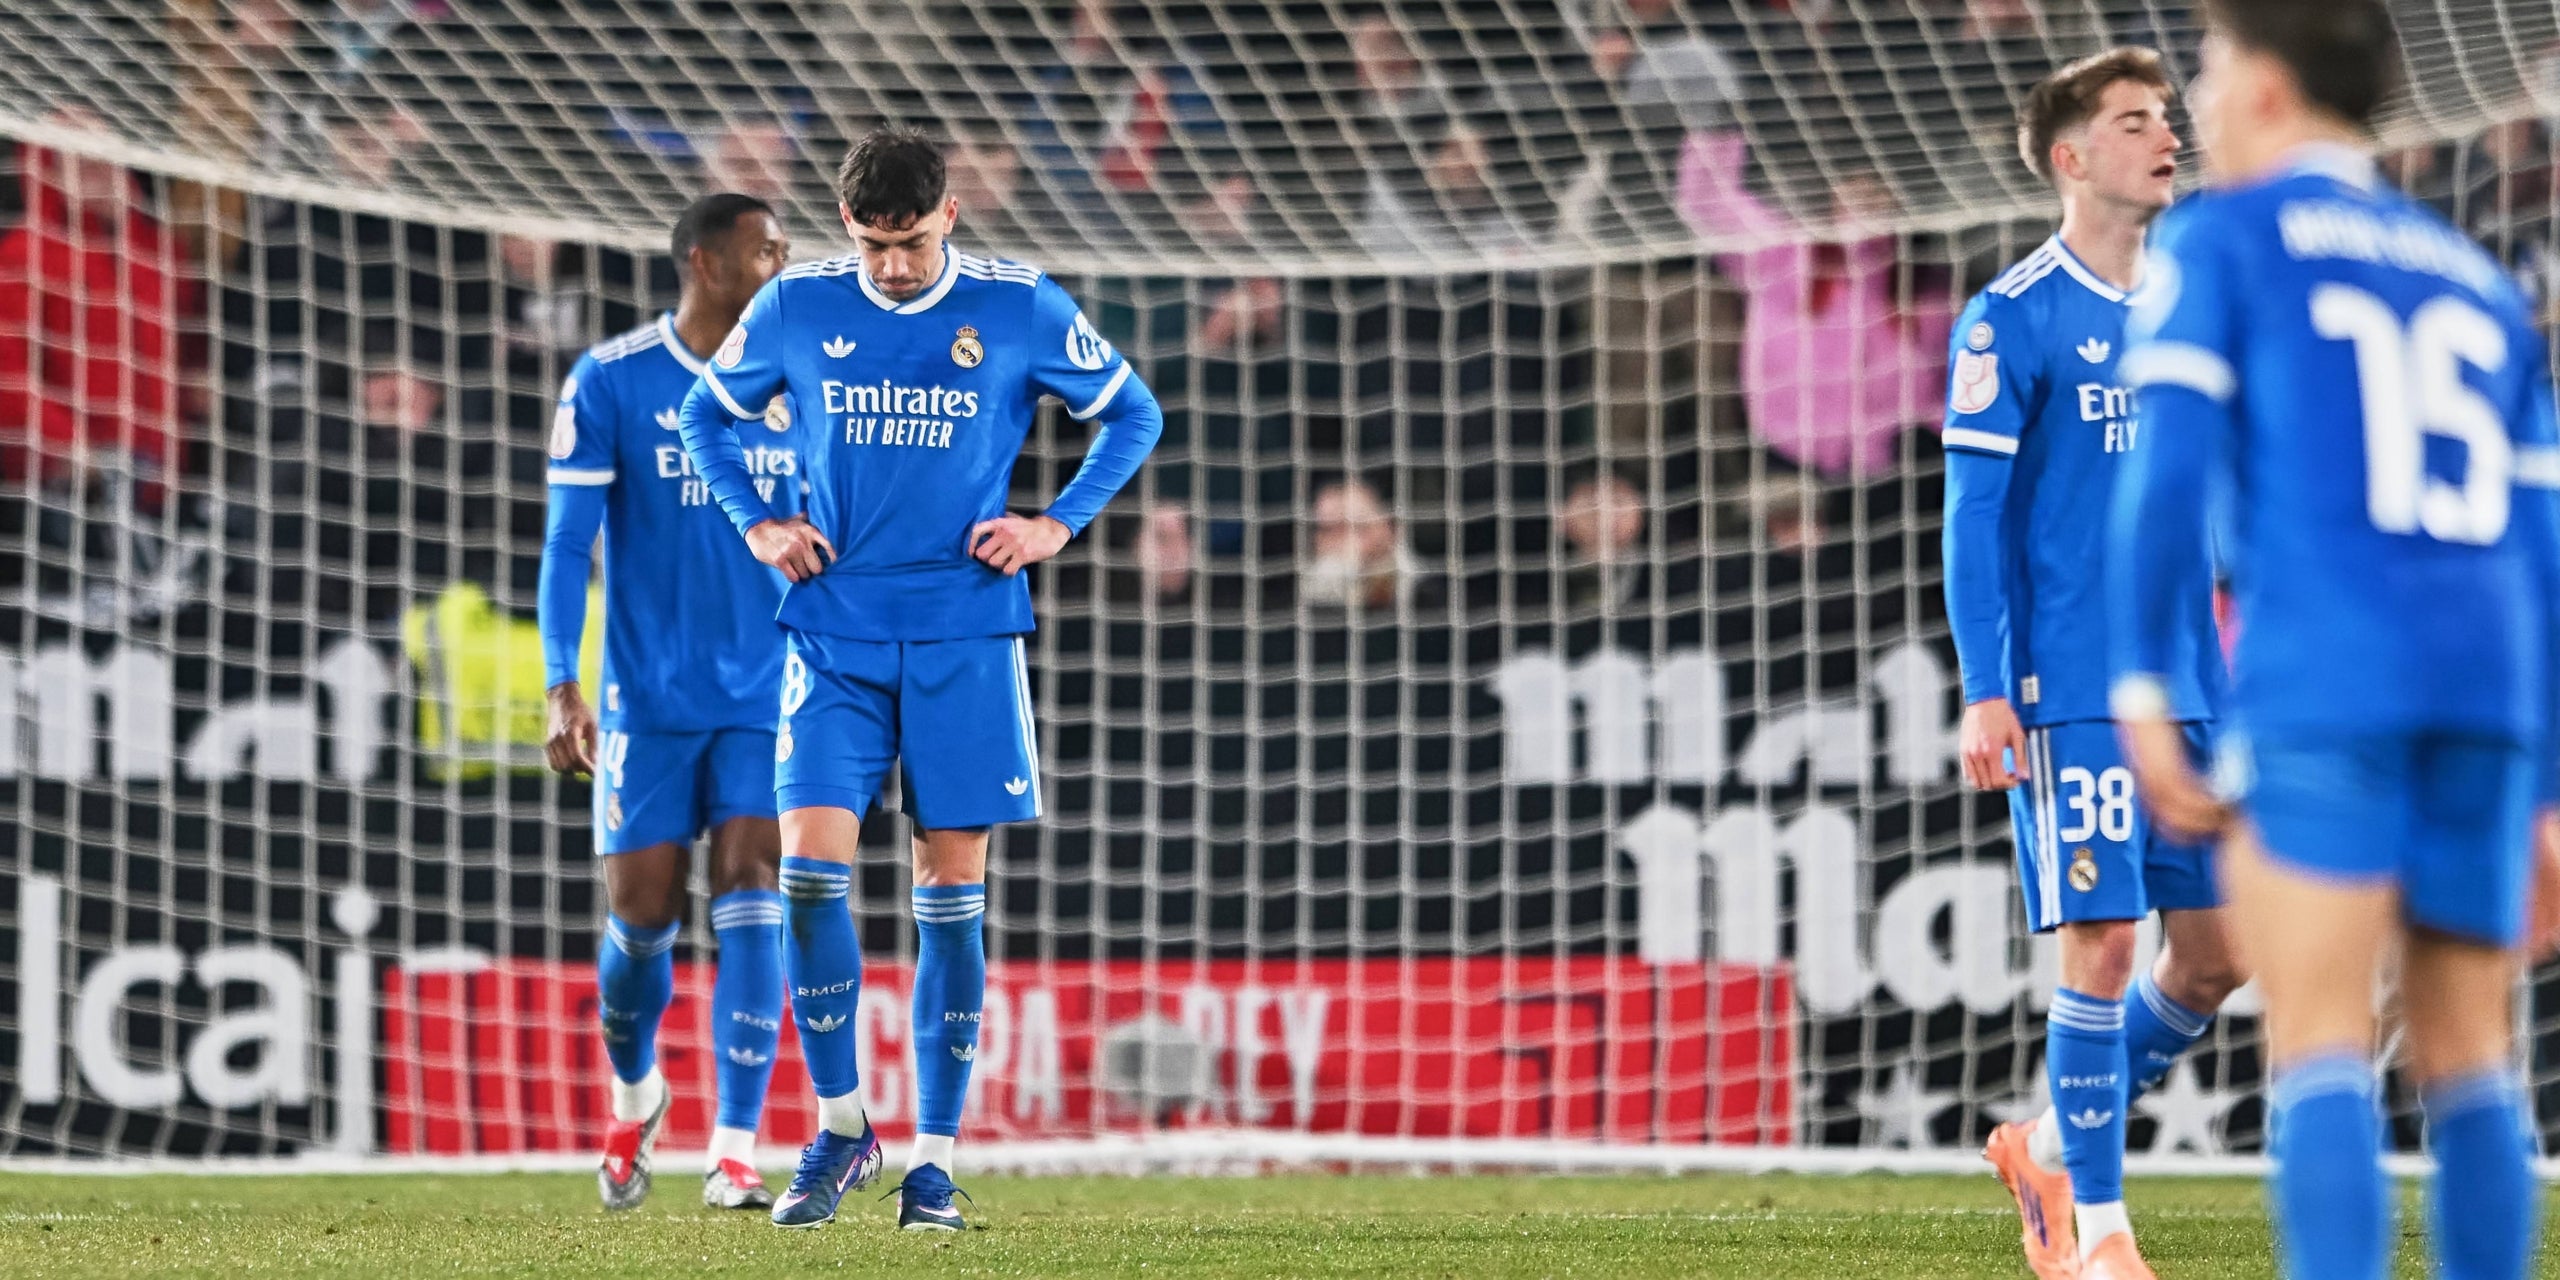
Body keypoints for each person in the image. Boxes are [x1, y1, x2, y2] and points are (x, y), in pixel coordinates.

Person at [2110, 3, 2560, 1277]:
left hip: (2326, 676)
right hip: (2484, 692)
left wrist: (2139, 678)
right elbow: (2541, 545)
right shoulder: (2472, 276)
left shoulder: (2223, 237)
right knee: (2471, 1055)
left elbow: (2164, 472)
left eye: (2207, 67)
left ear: (2263, 87)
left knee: (2320, 1042)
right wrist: (2548, 780)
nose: (2197, 100)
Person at [677, 127, 1163, 1231]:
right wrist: (756, 522)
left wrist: (1056, 524)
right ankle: (843, 1125)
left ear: (950, 214)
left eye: (911, 242)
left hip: (966, 639)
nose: (893, 266)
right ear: (847, 226)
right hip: (833, 633)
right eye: (872, 245)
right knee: (808, 879)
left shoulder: (1020, 305)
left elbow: (1134, 411)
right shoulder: (796, 306)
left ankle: (934, 1165)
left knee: (949, 902)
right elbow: (704, 414)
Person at [1943, 49, 2246, 1280]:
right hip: (2069, 683)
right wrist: (1983, 686)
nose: (2164, 136)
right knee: (2105, 942)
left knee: (2218, 954)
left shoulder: (2190, 304)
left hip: (2193, 683)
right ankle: (2101, 1231)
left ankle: (2045, 1144)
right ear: (2072, 157)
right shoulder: (2009, 315)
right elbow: (1971, 517)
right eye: (2132, 121)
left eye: (2165, 117)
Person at [536, 193, 797, 1213]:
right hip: (645, 700)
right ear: (706, 263)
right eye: (766, 251)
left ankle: (734, 1146)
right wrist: (562, 684)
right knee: (641, 918)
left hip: (770, 692)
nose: (782, 266)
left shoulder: (804, 377)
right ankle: (635, 1092)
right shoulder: (611, 379)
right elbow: (568, 545)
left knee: (753, 883)